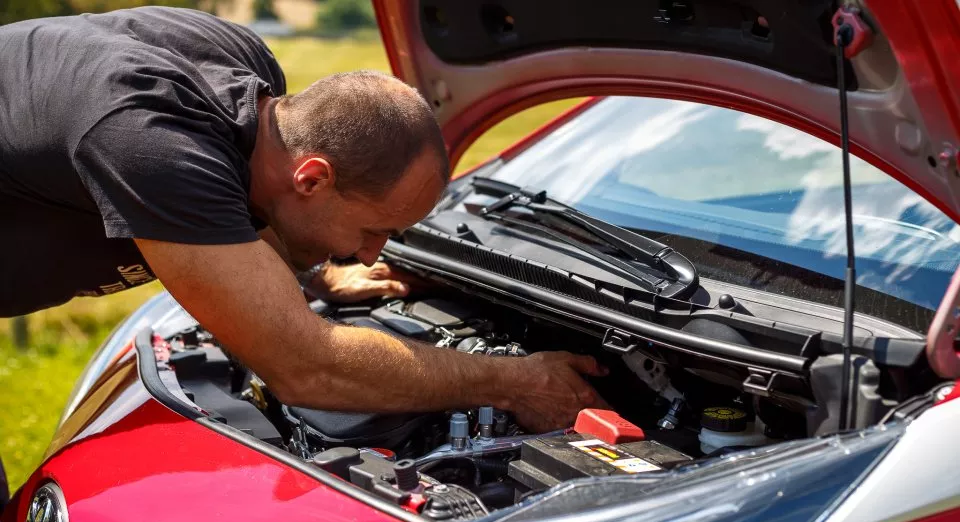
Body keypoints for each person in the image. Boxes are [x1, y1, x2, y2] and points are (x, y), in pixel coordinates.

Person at [0, 7, 606, 437]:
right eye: (373, 231)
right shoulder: (150, 140)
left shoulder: (253, 79)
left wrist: (315, 276)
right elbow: (307, 368)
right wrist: (515, 383)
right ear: (312, 178)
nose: (370, 256)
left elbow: (248, 199)